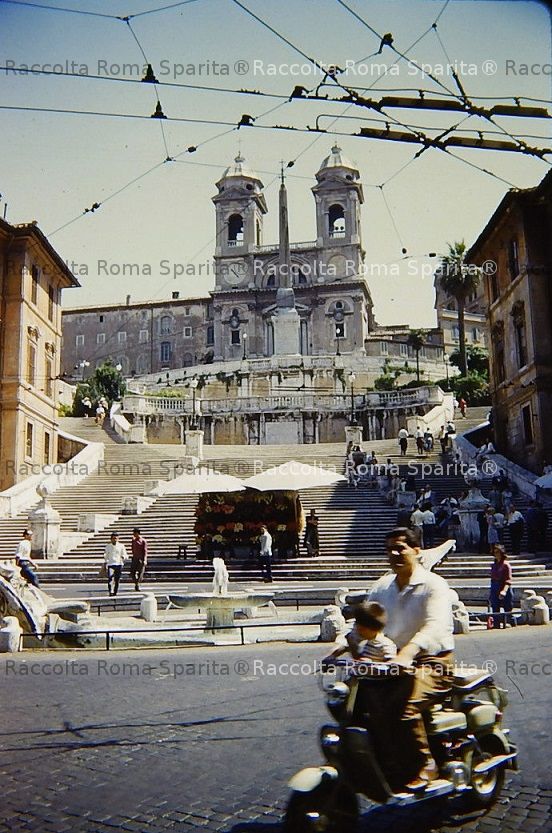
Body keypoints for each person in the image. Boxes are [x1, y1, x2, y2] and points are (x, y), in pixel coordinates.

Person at [367, 527, 454, 791]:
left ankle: (425, 764)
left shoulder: (433, 585)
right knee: (363, 704)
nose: (394, 554)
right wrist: (340, 647)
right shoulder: (382, 587)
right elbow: (363, 623)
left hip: (432, 662)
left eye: (400, 548)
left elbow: (434, 625)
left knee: (404, 706)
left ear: (417, 551)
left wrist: (409, 651)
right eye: (389, 549)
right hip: (391, 663)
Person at [325, 601, 397, 663]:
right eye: (357, 625)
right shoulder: (358, 637)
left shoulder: (385, 645)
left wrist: (372, 664)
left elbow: (392, 664)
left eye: (363, 629)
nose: (358, 630)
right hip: (359, 674)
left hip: (378, 677)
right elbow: (345, 646)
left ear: (375, 629)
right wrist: (332, 655)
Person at [489, 545, 514, 628]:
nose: (496, 554)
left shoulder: (506, 565)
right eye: (494, 552)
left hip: (503, 587)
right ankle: (496, 625)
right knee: (495, 608)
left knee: (508, 609)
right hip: (494, 587)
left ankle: (512, 624)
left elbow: (508, 580)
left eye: (497, 552)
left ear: (502, 553)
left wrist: (504, 591)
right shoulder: (494, 565)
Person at [103, 531, 127, 596]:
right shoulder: (108, 546)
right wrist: (106, 561)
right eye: (113, 538)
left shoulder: (121, 546)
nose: (115, 540)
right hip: (111, 564)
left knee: (117, 579)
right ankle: (110, 591)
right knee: (110, 578)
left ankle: (115, 591)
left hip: (119, 564)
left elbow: (125, 554)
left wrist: (123, 557)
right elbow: (105, 555)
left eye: (116, 538)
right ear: (111, 539)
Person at [130, 527, 148, 591]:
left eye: (134, 533)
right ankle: (136, 582)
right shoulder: (133, 540)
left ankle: (137, 584)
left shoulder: (143, 541)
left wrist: (145, 560)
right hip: (135, 558)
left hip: (141, 558)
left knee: (140, 573)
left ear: (137, 533)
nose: (133, 534)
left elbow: (145, 551)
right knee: (132, 572)